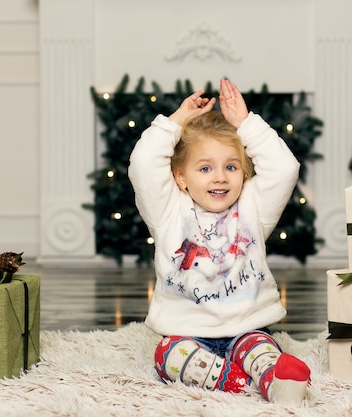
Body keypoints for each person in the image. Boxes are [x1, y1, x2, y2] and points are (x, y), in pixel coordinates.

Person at [128, 78, 310, 403]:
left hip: (247, 329)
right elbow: (143, 164)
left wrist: (246, 123)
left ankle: (275, 380)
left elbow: (284, 168)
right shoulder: (168, 210)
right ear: (181, 177)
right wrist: (175, 122)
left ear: (244, 173)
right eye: (205, 168)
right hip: (187, 333)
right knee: (168, 355)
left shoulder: (253, 207)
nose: (220, 177)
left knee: (263, 353)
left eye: (230, 166)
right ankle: (235, 382)